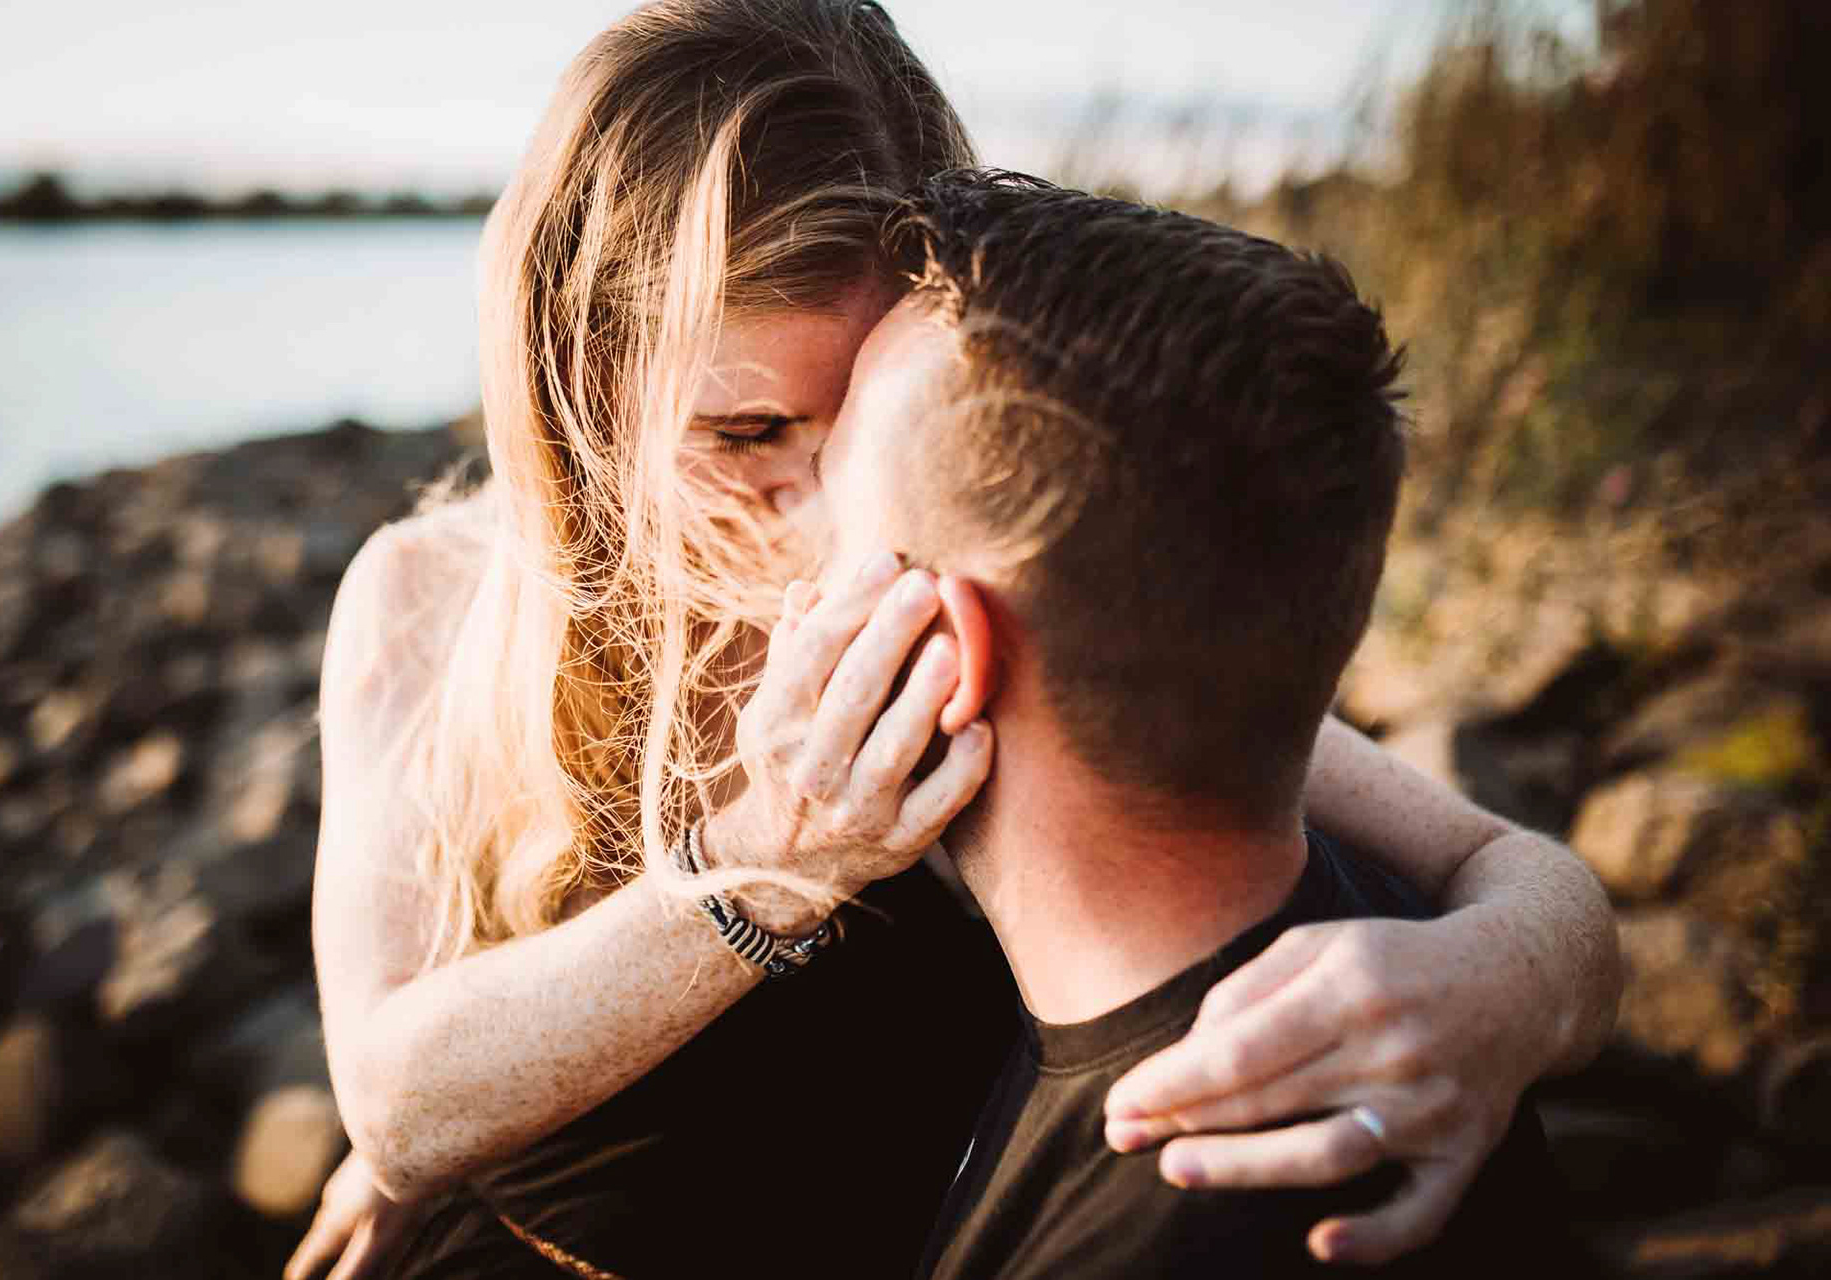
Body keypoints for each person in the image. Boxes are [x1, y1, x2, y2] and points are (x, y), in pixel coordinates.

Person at [287, 3, 1619, 1278]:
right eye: (748, 436)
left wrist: (1502, 989)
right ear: (580, 373)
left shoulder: (955, 568)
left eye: (863, 411)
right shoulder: (429, 599)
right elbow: (396, 1109)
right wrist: (758, 875)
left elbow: (1501, 865)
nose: (824, 508)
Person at [783, 169, 1573, 1277]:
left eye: (832, 488)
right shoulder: (1395, 923)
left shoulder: (1180, 1219)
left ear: (950, 654)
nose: (791, 554)